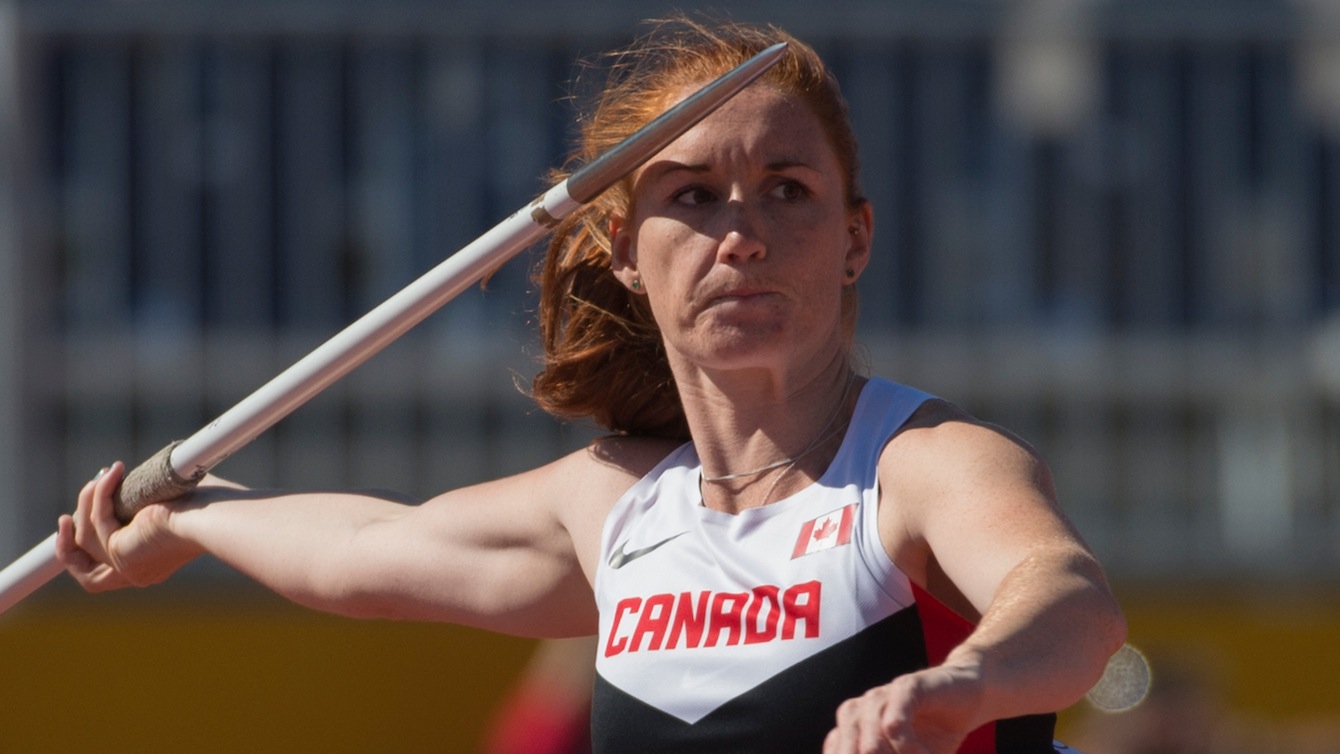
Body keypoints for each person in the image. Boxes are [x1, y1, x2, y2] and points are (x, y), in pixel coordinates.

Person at [56, 16, 1126, 754]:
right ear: (622, 248)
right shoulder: (613, 507)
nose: (741, 235)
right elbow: (365, 551)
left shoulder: (916, 468)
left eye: (786, 191)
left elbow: (1065, 598)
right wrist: (190, 519)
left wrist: (961, 687)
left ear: (854, 240)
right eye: (695, 196)